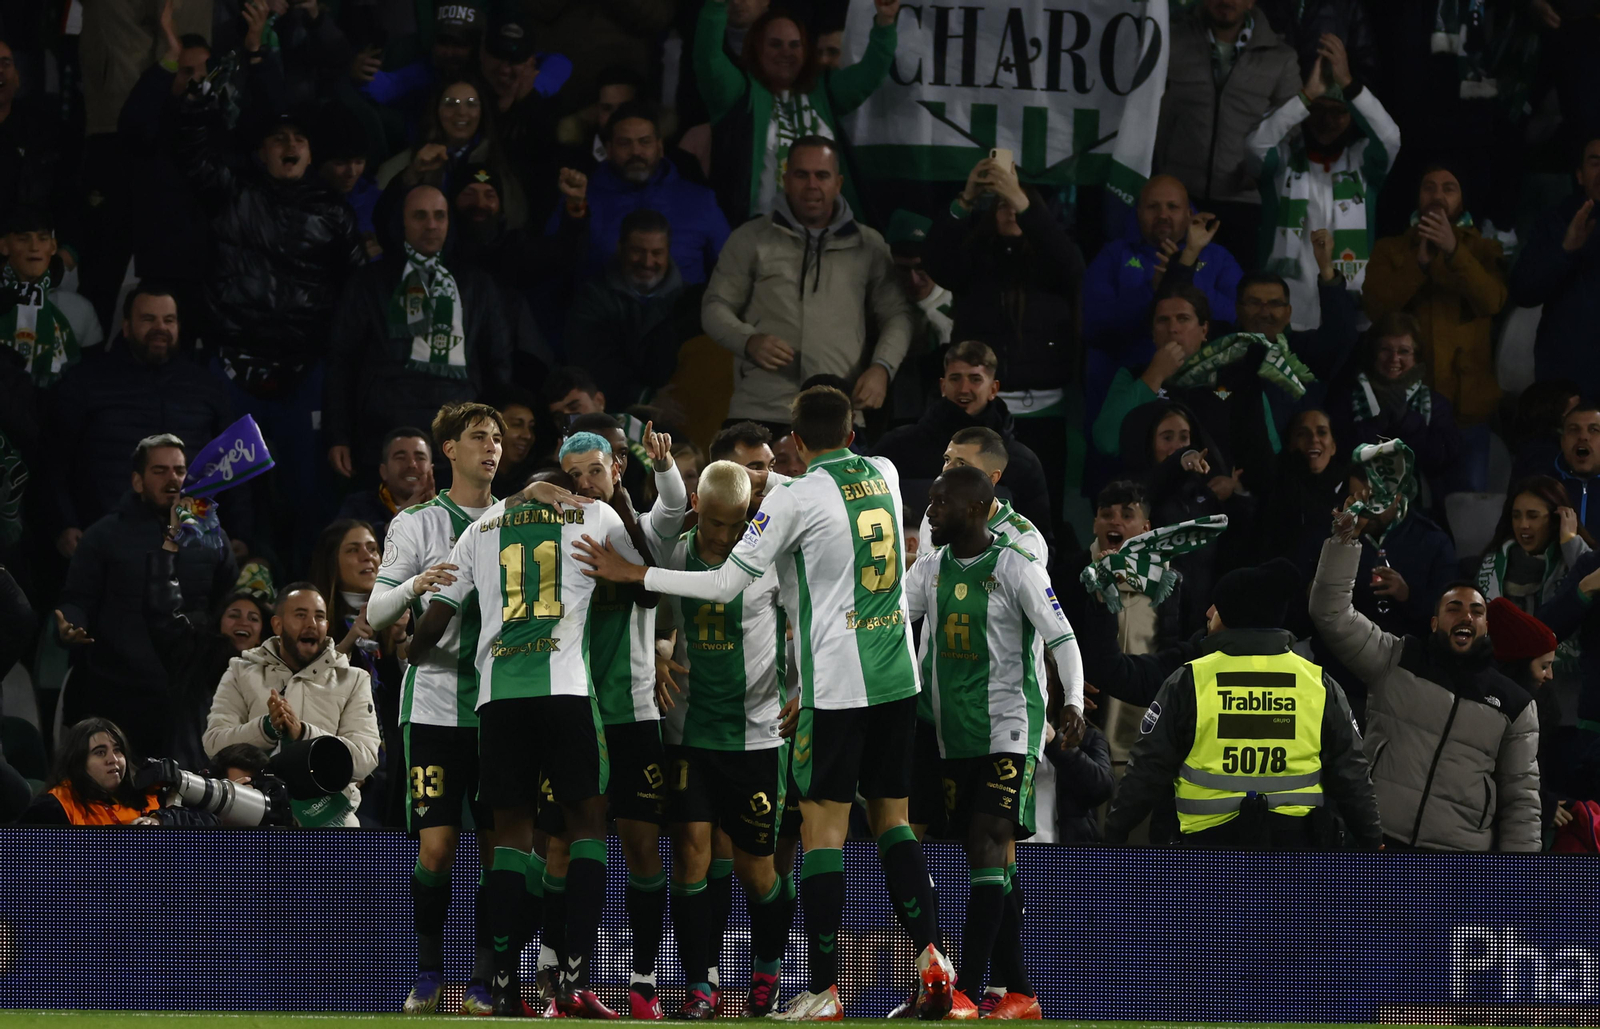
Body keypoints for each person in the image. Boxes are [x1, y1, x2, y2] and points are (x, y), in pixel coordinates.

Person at [575, 386, 951, 1021]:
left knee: (820, 837)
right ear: (853, 434)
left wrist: (636, 574)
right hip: (895, 678)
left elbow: (729, 583)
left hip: (824, 692)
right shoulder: (884, 471)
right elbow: (789, 485)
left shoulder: (793, 503)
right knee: (893, 824)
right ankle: (933, 956)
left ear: (794, 445)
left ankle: (821, 988)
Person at [409, 469, 642, 1019]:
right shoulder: (593, 516)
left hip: (499, 699)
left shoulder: (483, 526)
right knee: (586, 827)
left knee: (510, 839)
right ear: (571, 491)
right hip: (565, 691)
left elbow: (431, 629)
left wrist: (409, 647)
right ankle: (573, 974)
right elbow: (644, 579)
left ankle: (501, 980)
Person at [901, 466, 1083, 1018]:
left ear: (979, 509)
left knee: (987, 840)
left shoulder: (1016, 567)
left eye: (943, 503)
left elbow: (1062, 636)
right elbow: (892, 623)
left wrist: (1071, 700)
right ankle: (1020, 992)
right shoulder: (928, 568)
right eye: (931, 501)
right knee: (991, 860)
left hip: (1010, 725)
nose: (931, 511)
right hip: (953, 734)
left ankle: (968, 992)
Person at [178, 85, 364, 565]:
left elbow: (357, 297)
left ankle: (307, 594)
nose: (290, 145)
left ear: (311, 152)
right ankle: (218, 591)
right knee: (216, 490)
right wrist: (197, 102)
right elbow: (194, 157)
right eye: (279, 137)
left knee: (311, 495)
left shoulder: (335, 214)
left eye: (299, 138)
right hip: (234, 369)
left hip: (304, 375)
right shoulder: (230, 194)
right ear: (261, 152)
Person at [366, 403, 507, 1015]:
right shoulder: (417, 524)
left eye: (498, 439)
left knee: (501, 850)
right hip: (434, 703)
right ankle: (427, 974)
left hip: (504, 702)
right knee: (438, 847)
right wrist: (414, 587)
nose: (492, 448)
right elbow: (375, 614)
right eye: (479, 438)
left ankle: (485, 979)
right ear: (448, 449)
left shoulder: (518, 518)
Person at [1106, 558, 1383, 848]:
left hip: (1207, 854)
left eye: (1216, 607)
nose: (1208, 612)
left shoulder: (1189, 682)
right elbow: (1351, 772)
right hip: (1296, 855)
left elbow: (1148, 768)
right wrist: (1372, 839)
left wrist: (1116, 829)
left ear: (1232, 615)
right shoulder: (1317, 683)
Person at [653, 461, 793, 1017]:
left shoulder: (769, 559)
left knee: (756, 871)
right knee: (689, 853)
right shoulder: (672, 554)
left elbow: (804, 623)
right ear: (696, 506)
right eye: (713, 523)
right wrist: (656, 655)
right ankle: (700, 983)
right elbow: (651, 617)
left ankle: (767, 971)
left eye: (736, 524)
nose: (724, 535)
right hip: (690, 732)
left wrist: (803, 688)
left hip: (757, 736)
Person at [1310, 514, 1542, 850]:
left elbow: (1522, 802)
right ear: (1434, 623)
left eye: (1477, 611)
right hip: (1375, 841)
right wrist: (1344, 542)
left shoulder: (1515, 704)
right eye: (1454, 608)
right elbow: (1330, 613)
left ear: (1487, 627)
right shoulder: (1396, 658)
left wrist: (1516, 885)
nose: (1466, 616)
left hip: (1456, 859)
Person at [558, 425, 686, 1018]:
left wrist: (660, 470)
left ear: (616, 467)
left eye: (594, 471)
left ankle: (642, 983)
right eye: (574, 475)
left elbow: (675, 509)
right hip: (574, 705)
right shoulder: (560, 526)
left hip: (634, 706)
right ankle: (554, 978)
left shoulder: (641, 524)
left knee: (641, 845)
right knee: (559, 844)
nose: (585, 484)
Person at [702, 136, 912, 432]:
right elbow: (714, 307)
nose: (812, 185)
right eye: (801, 175)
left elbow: (898, 315)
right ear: (785, 180)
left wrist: (883, 368)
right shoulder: (750, 238)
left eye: (822, 175)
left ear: (838, 183)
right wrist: (748, 340)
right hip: (760, 409)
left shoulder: (869, 245)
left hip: (839, 413)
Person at [56, 434, 238, 757]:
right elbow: (77, 599)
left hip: (190, 698)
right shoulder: (103, 536)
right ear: (137, 481)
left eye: (180, 471)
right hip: (119, 695)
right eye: (160, 471)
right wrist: (70, 625)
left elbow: (229, 600)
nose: (173, 480)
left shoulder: (213, 536)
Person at [921, 155, 1085, 508]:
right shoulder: (975, 259)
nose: (1010, 209)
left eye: (1018, 203)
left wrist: (1022, 201)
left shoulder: (1052, 264)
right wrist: (965, 199)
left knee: (1043, 510)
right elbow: (935, 259)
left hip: (1046, 413)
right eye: (1002, 203)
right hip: (980, 412)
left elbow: (1072, 265)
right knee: (972, 505)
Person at [325, 184, 513, 480]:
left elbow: (498, 364)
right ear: (401, 222)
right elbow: (342, 361)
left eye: (440, 216)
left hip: (459, 435)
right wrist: (339, 435)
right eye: (420, 216)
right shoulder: (370, 283)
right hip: (382, 436)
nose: (431, 225)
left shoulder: (477, 285)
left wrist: (496, 438)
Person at [45, 286, 239, 561]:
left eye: (168, 320)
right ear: (126, 327)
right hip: (105, 544)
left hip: (191, 545)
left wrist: (241, 533)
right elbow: (54, 464)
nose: (160, 328)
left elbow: (232, 464)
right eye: (148, 319)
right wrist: (64, 525)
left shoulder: (207, 388)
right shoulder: (85, 383)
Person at [695, 0, 901, 223]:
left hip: (826, 231)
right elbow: (708, 56)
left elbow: (871, 71)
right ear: (756, 47)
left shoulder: (823, 91)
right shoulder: (738, 93)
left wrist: (885, 21)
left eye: (795, 45)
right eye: (775, 44)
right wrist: (716, 4)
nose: (786, 52)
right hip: (761, 233)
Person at [1245, 35, 1401, 328]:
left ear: (1352, 116)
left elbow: (1390, 138)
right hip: (1283, 317)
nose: (1326, 121)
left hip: (1348, 314)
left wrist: (1349, 85)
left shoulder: (1363, 164)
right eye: (1318, 110)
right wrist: (1306, 95)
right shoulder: (1281, 163)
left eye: (1338, 112)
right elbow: (1255, 146)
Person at [201, 582, 382, 829]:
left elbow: (365, 758)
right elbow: (214, 744)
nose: (311, 624)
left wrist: (304, 735)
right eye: (300, 615)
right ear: (277, 624)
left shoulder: (353, 680)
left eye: (319, 617)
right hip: (253, 810)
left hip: (330, 819)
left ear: (326, 627)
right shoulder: (239, 671)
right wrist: (266, 729)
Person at [1095, 286, 1302, 500]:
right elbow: (1107, 442)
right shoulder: (1133, 376)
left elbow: (1268, 451)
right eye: (1163, 320)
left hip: (1224, 512)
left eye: (1183, 319)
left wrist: (1237, 486)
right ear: (1153, 333)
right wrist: (1154, 377)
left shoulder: (1239, 379)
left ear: (1204, 330)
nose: (1173, 328)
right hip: (1155, 508)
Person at [1152, 0, 1303, 265]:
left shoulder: (1281, 58)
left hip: (1245, 203)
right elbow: (1150, 110)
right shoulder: (1171, 42)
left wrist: (1259, 170)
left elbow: (1292, 127)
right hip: (1180, 200)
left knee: (1236, 296)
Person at [1364, 166, 1508, 441]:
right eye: (1428, 187)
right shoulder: (1389, 249)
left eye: (1448, 188)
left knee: (1467, 485)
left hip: (1468, 410)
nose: (1437, 195)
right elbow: (1375, 310)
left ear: (1463, 199)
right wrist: (1418, 266)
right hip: (1403, 404)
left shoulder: (1485, 249)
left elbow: (1493, 301)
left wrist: (1454, 251)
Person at [1059, 480, 1187, 790]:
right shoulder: (1071, 576)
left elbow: (1181, 648)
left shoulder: (1171, 582)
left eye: (1126, 515)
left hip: (1151, 727)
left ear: (1145, 527)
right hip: (1091, 725)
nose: (1115, 521)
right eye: (1106, 514)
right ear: (1094, 523)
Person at [874, 342, 1053, 541]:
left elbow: (1039, 541)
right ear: (943, 386)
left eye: (975, 379)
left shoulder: (1021, 462)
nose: (964, 389)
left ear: (993, 388)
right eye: (955, 378)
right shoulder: (897, 449)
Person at [1081, 176, 1244, 390]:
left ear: (1189, 214)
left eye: (1172, 207)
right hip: (1126, 383)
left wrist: (1184, 273)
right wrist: (1151, 290)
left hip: (1202, 387)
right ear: (1138, 212)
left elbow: (1239, 322)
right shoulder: (1114, 255)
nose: (1163, 215)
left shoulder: (1218, 258)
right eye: (1152, 207)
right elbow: (1093, 327)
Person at [556, 101, 730, 286]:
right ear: (609, 150)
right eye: (625, 143)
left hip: (684, 311)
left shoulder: (700, 201)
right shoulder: (581, 199)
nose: (636, 151)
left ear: (660, 147)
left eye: (645, 142)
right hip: (603, 312)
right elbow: (555, 264)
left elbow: (731, 273)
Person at [565, 209, 700, 407]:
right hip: (613, 410)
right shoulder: (593, 296)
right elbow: (591, 361)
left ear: (668, 251)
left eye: (657, 253)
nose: (647, 262)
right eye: (638, 251)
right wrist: (645, 397)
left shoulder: (688, 301)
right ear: (620, 248)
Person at [1327, 314, 1463, 499]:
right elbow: (1337, 453)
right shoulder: (1346, 398)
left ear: (1416, 356)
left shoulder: (1436, 404)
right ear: (1373, 353)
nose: (1394, 358)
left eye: (1404, 351)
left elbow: (1443, 458)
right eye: (1385, 350)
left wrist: (1407, 422)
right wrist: (1377, 424)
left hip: (1418, 507)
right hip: (1357, 503)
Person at [375, 78, 529, 234]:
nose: (461, 112)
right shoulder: (405, 164)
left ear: (482, 112)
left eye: (471, 103)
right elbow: (380, 218)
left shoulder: (500, 162)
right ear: (436, 110)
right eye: (450, 103)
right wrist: (411, 175)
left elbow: (515, 221)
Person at [1511, 136, 1600, 397]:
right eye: (1595, 163)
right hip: (1565, 381)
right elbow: (1523, 290)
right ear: (1580, 175)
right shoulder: (1556, 220)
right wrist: (1566, 250)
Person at [18, 717, 212, 826]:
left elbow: (212, 823)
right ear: (77, 762)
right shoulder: (54, 808)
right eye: (100, 752)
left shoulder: (149, 792)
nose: (113, 759)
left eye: (118, 750)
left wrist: (162, 820)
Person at [0, 206, 102, 386]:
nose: (34, 248)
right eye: (23, 239)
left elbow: (91, 381)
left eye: (43, 239)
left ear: (53, 246)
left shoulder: (79, 310)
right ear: (4, 246)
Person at [1476, 477, 1593, 613]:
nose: (1523, 525)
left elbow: (1594, 585)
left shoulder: (1573, 559)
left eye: (1533, 516)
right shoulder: (1493, 564)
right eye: (1516, 516)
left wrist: (1571, 542)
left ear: (1556, 520)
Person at [1258, 410, 1349, 575]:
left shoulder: (1351, 492)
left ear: (1333, 446)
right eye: (1302, 434)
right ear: (1291, 444)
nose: (1314, 439)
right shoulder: (1276, 491)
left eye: (1321, 432)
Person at [335, 428, 436, 545]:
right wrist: (397, 522)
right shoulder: (357, 507)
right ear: (384, 471)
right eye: (401, 458)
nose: (411, 465)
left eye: (420, 458)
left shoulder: (451, 511)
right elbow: (337, 550)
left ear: (431, 470)